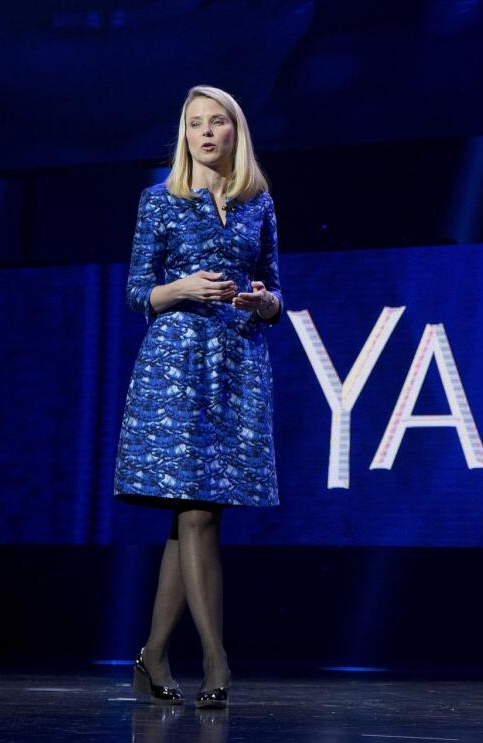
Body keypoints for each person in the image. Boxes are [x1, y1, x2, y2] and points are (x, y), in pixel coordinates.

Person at [112, 85, 284, 709]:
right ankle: (216, 659)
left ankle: (153, 655)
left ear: (236, 132)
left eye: (217, 123)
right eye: (194, 124)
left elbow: (277, 294)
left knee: (192, 521)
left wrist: (265, 304)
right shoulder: (159, 201)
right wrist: (180, 286)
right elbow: (137, 293)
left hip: (236, 366)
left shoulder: (257, 203)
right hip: (175, 369)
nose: (206, 133)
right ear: (183, 136)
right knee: (195, 514)